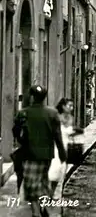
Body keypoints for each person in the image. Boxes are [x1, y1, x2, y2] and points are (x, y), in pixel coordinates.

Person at [13, 85, 66, 217]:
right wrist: (62, 152)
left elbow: (15, 132)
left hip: (30, 154)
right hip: (47, 155)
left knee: (31, 185)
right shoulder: (52, 113)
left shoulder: (23, 113)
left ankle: (36, 212)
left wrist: (21, 140)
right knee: (42, 181)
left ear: (32, 97)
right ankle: (45, 207)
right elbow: (57, 135)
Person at [50, 98, 82, 200]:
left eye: (72, 106)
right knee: (53, 173)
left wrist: (76, 132)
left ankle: (57, 196)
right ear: (63, 106)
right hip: (55, 148)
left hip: (66, 147)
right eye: (69, 106)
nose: (72, 108)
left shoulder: (71, 118)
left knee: (62, 173)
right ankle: (49, 196)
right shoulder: (56, 117)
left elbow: (69, 132)